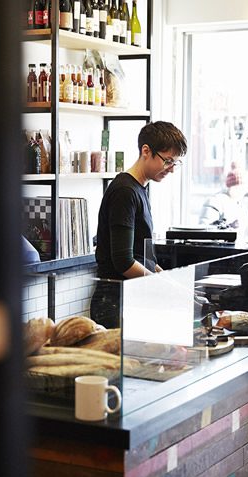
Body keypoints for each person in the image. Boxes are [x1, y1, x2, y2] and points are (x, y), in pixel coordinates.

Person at [89, 121, 188, 328]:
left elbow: (142, 257)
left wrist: (170, 281)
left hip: (130, 298)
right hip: (115, 303)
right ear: (146, 151)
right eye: (168, 161)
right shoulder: (125, 192)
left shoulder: (139, 189)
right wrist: (158, 286)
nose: (171, 169)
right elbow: (123, 261)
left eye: (175, 163)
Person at [198, 162, 248, 231]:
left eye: (245, 188)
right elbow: (204, 230)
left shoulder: (242, 207)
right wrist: (228, 229)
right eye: (241, 188)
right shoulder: (214, 202)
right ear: (231, 187)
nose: (245, 191)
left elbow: (245, 234)